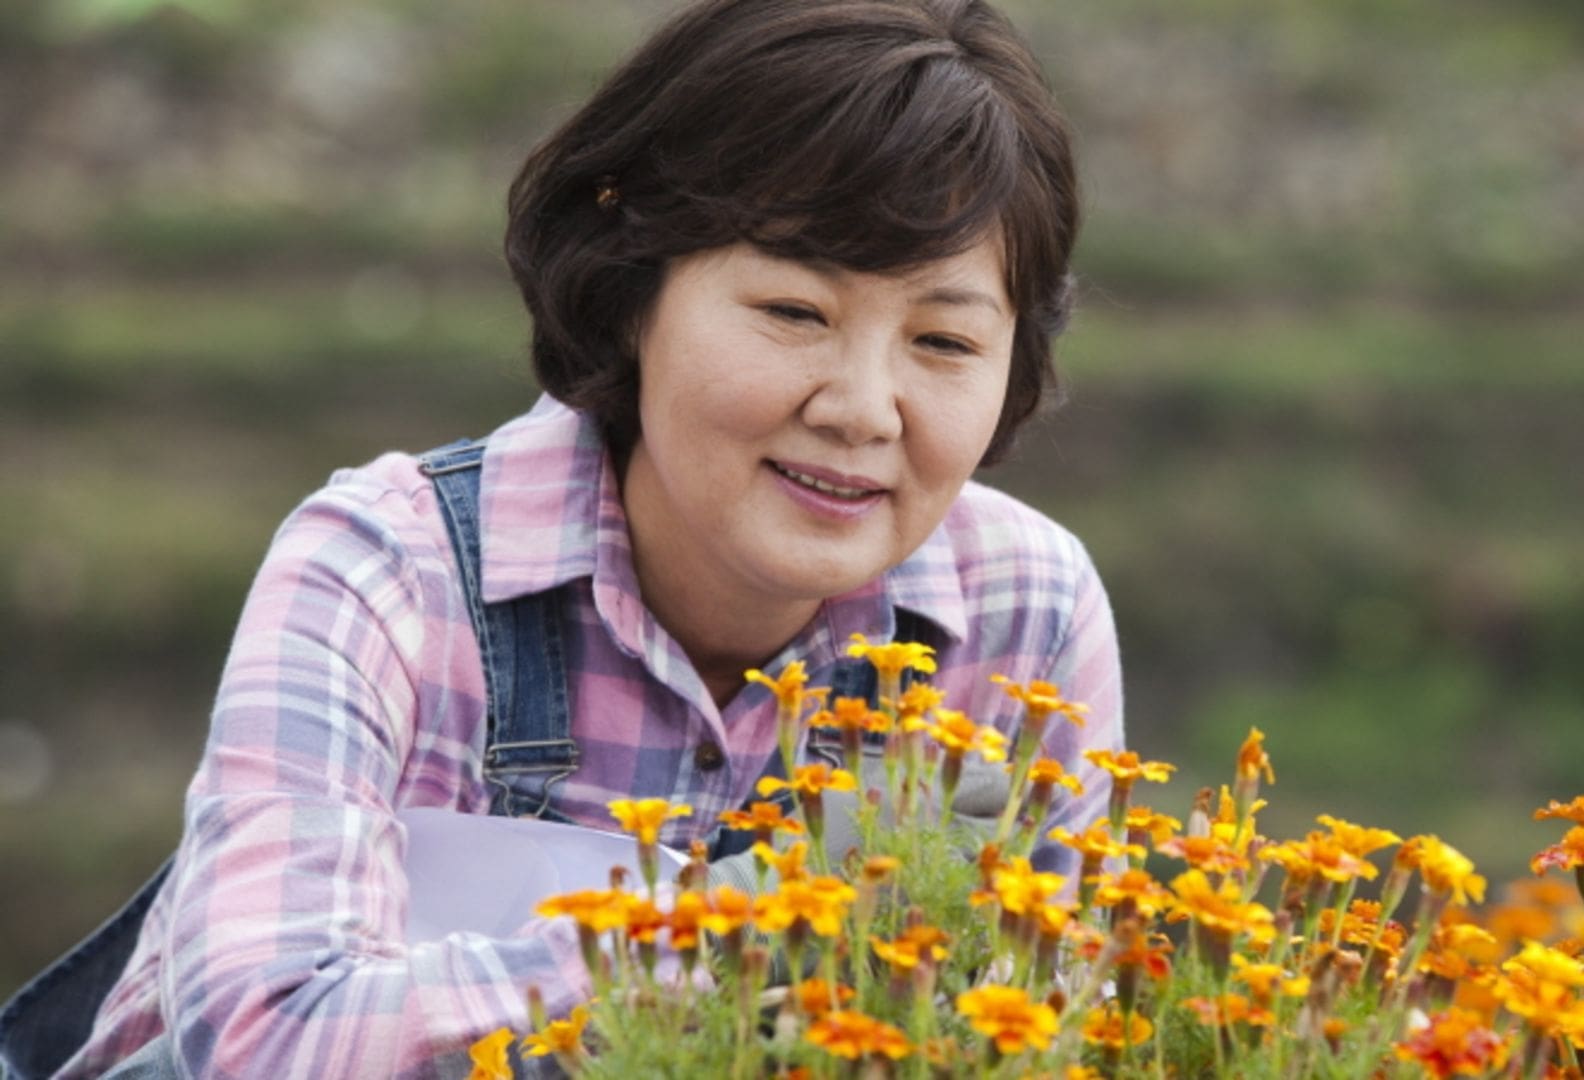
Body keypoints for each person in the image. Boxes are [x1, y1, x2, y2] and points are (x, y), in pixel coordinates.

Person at [0, 0, 1122, 1077]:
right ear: (632, 284)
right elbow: (264, 1039)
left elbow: (1052, 1033)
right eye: (794, 312)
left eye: (943, 340)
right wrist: (752, 928)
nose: (864, 408)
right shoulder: (385, 571)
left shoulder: (1028, 614)